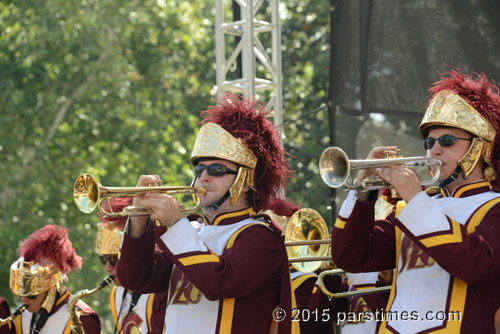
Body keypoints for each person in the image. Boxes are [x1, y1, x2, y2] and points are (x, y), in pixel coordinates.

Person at [330, 67, 500, 333]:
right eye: (429, 142)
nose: (435, 150)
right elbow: (350, 257)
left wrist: (416, 200)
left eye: (446, 140)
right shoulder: (417, 207)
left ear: (479, 147)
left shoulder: (493, 207)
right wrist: (363, 192)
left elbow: (477, 266)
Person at [116, 93, 299, 333]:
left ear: (245, 181)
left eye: (216, 169)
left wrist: (175, 222)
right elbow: (135, 278)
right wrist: (138, 215)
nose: (203, 177)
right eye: (200, 168)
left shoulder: (262, 238)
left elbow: (219, 282)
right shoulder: (190, 230)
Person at [9, 224, 101, 333]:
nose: (24, 299)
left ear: (52, 286)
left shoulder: (82, 318)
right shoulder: (22, 317)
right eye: (20, 293)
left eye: (31, 294)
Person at [95, 197, 168, 333]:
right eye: (103, 259)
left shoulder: (161, 288)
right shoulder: (117, 293)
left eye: (114, 259)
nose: (107, 268)